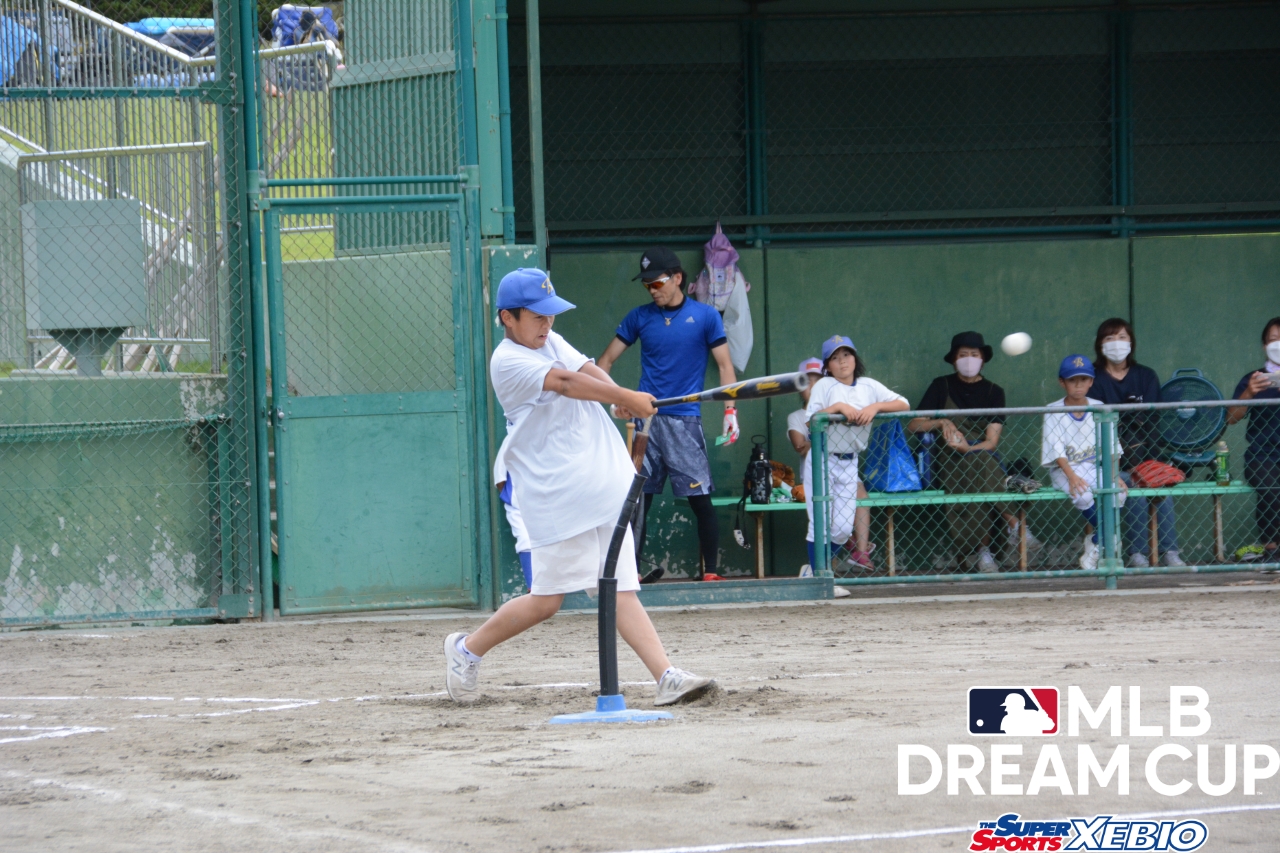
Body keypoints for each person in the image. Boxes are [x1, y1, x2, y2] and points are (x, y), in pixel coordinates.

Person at [444, 268, 713, 706]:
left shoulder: (549, 339)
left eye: (550, 314)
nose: (547, 323)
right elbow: (566, 383)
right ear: (507, 317)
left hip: (601, 483)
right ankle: (466, 649)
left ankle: (666, 676)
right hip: (557, 493)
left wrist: (618, 397)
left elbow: (585, 368)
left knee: (620, 587)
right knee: (546, 601)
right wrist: (625, 398)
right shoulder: (507, 361)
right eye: (537, 316)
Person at [598, 246, 738, 581]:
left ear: (677, 278)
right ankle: (629, 574)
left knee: (699, 498)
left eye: (657, 282)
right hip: (644, 420)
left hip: (685, 420)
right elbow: (605, 362)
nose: (652, 290)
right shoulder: (639, 317)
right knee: (637, 501)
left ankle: (711, 572)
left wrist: (730, 411)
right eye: (647, 285)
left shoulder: (706, 316)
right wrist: (613, 401)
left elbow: (725, 365)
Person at [908, 332, 1039, 573]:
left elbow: (991, 442)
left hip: (981, 453)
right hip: (948, 458)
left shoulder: (994, 392)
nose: (969, 359)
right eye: (963, 355)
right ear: (954, 359)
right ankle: (1016, 527)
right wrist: (940, 422)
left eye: (974, 354)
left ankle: (984, 552)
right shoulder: (941, 385)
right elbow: (914, 424)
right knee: (983, 468)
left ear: (983, 359)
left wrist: (968, 448)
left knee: (981, 461)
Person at [803, 336, 909, 573]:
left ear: (855, 358)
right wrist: (837, 408)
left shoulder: (869, 386)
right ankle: (819, 576)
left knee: (842, 530)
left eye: (846, 354)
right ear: (827, 366)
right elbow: (810, 423)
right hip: (822, 458)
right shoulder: (824, 385)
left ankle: (814, 571)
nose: (842, 361)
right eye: (835, 357)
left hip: (850, 461)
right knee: (820, 524)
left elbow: (904, 404)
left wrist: (875, 407)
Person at [1089, 318, 1183, 568]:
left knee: (1161, 485)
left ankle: (1170, 552)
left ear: (1131, 342)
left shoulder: (1145, 376)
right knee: (1133, 487)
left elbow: (1151, 422)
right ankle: (1137, 554)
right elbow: (1098, 427)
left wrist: (1147, 461)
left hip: (1146, 455)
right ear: (1100, 345)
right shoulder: (1094, 379)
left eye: (1122, 337)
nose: (1116, 343)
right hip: (1109, 461)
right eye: (1109, 338)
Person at [787, 357, 874, 569]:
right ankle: (819, 571)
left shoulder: (842, 409)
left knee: (844, 525)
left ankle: (856, 551)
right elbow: (800, 445)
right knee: (821, 525)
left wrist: (828, 435)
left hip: (844, 468)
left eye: (818, 380)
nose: (813, 386)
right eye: (807, 381)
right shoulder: (797, 416)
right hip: (816, 473)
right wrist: (826, 439)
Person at [1041, 355, 1126, 571]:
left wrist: (1114, 475)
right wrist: (1072, 477)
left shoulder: (1099, 407)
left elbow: (1112, 447)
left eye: (1083, 379)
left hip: (1092, 467)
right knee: (1082, 494)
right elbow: (1057, 451)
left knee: (1119, 492)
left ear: (1091, 382)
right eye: (1072, 380)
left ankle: (1097, 540)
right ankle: (1109, 538)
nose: (1078, 385)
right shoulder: (1053, 409)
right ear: (1062, 382)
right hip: (1064, 470)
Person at [1228, 316, 1280, 564]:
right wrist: (1249, 392)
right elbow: (1231, 417)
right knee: (1270, 489)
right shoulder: (1254, 378)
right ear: (1264, 346)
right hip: (1262, 454)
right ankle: (1271, 550)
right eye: (1273, 339)